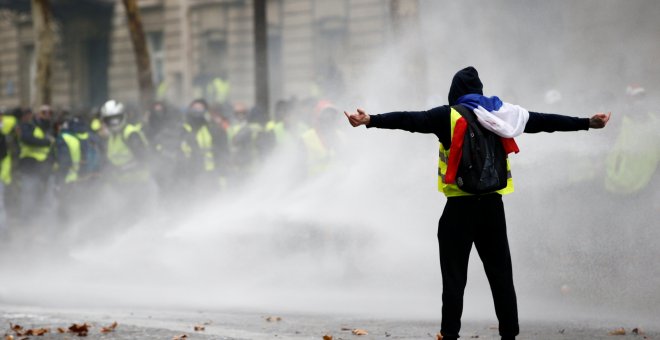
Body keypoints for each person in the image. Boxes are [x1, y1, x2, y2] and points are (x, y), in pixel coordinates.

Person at [344, 66, 611, 340]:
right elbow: (544, 121)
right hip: (493, 208)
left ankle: (449, 334)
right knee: (501, 275)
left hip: (459, 208)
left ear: (455, 93)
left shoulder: (447, 115)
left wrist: (371, 120)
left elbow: (410, 120)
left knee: (454, 278)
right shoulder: (502, 114)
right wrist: (587, 123)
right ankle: (509, 334)